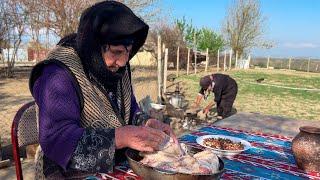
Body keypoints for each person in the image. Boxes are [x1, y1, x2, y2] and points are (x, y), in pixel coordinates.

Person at [29, 1, 175, 179]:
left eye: (128, 52)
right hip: (66, 171)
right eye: (116, 51)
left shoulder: (118, 67)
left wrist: (145, 122)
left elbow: (129, 111)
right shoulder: (57, 75)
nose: (123, 62)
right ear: (93, 47)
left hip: (115, 165)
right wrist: (120, 136)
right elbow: (57, 140)